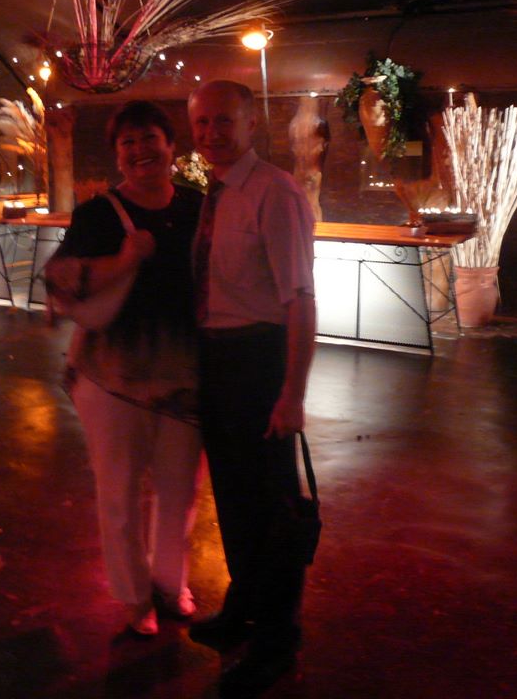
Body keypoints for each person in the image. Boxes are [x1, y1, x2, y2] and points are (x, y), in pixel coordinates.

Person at [45, 101, 204, 638]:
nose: (140, 150)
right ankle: (135, 598)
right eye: (128, 143)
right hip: (112, 378)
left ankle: (171, 582)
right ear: (117, 156)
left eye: (149, 138)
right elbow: (60, 281)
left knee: (180, 493)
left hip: (184, 377)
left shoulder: (199, 207)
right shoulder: (97, 215)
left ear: (171, 146)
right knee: (118, 496)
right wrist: (125, 258)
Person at [186, 80, 317, 695]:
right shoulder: (212, 193)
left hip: (258, 360)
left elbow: (300, 299)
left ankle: (277, 638)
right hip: (217, 360)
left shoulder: (275, 193)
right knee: (234, 499)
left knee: (272, 507)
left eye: (223, 121)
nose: (211, 133)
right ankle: (243, 607)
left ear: (251, 125)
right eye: (201, 123)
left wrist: (292, 394)